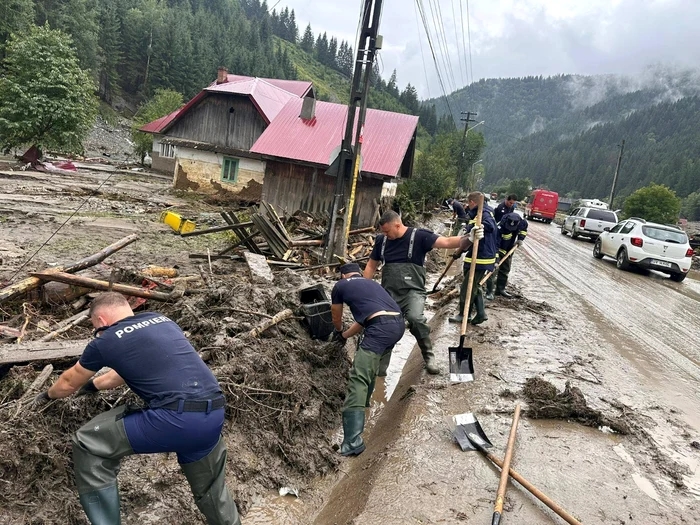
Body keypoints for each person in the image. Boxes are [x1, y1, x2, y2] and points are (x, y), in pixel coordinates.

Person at [33, 292, 240, 525]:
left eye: (95, 327)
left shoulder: (106, 340)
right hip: (213, 415)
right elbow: (121, 373)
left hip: (174, 420)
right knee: (212, 490)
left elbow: (68, 383)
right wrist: (93, 386)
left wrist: (46, 395)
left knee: (88, 443)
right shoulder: (161, 320)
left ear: (100, 320)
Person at [363, 210, 482, 375]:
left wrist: (469, 238)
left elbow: (447, 241)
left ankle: (428, 357)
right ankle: (379, 371)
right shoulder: (381, 241)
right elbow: (371, 266)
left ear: (397, 225)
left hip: (413, 292)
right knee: (386, 326)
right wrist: (365, 290)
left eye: (387, 231)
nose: (385, 235)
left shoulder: (419, 237)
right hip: (389, 294)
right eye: (383, 232)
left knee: (415, 319)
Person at [331, 263, 405, 456]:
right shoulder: (371, 285)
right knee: (369, 368)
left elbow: (335, 316)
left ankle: (352, 441)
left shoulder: (340, 285)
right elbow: (366, 319)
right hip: (397, 325)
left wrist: (338, 331)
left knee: (358, 377)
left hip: (380, 328)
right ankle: (365, 404)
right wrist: (345, 336)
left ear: (343, 275)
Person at [449, 192, 498, 325]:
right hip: (478, 255)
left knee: (467, 287)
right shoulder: (478, 213)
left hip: (481, 256)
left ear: (472, 202)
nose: (467, 205)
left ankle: (463, 314)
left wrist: (481, 227)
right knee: (474, 285)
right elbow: (470, 232)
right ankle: (481, 313)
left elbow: (490, 225)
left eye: (468, 202)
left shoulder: (484, 213)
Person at [490, 212, 528, 299]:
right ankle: (489, 291)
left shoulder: (522, 222)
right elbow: (495, 244)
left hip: (509, 249)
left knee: (505, 269)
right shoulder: (499, 227)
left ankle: (500, 290)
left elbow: (523, 230)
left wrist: (520, 239)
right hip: (498, 248)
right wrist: (496, 259)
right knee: (493, 270)